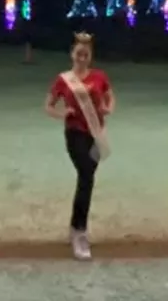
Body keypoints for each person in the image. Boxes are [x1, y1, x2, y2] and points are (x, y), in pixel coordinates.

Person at [44, 32, 114, 260]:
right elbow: (48, 106)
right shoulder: (63, 80)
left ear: (90, 56)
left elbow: (110, 98)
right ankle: (79, 233)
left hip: (96, 134)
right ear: (72, 55)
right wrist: (61, 112)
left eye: (86, 54)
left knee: (87, 180)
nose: (82, 58)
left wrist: (107, 108)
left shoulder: (100, 76)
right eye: (78, 54)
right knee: (86, 174)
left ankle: (75, 228)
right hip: (75, 134)